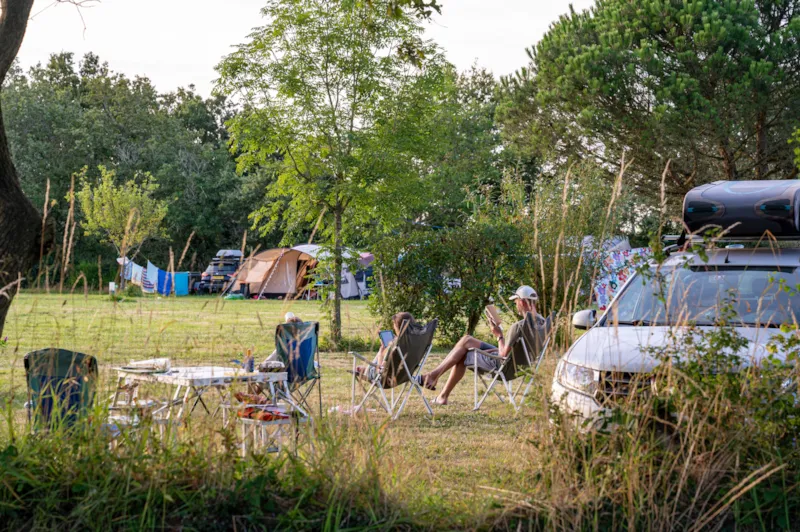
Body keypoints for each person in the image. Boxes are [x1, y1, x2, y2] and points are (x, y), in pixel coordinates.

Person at [421, 285, 544, 405]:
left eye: (516, 301)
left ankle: (439, 389)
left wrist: (498, 335)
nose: (515, 304)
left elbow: (502, 355)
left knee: (463, 353)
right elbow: (516, 351)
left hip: (504, 367)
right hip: (520, 366)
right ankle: (434, 379)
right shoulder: (543, 323)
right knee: (467, 340)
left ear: (522, 302)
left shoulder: (518, 327)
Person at [353, 312, 415, 380]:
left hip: (386, 378)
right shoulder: (414, 342)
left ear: (397, 326)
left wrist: (381, 350)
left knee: (382, 350)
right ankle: (368, 368)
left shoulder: (395, 345)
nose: (393, 328)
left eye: (394, 324)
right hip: (405, 375)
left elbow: (380, 370)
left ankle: (368, 370)